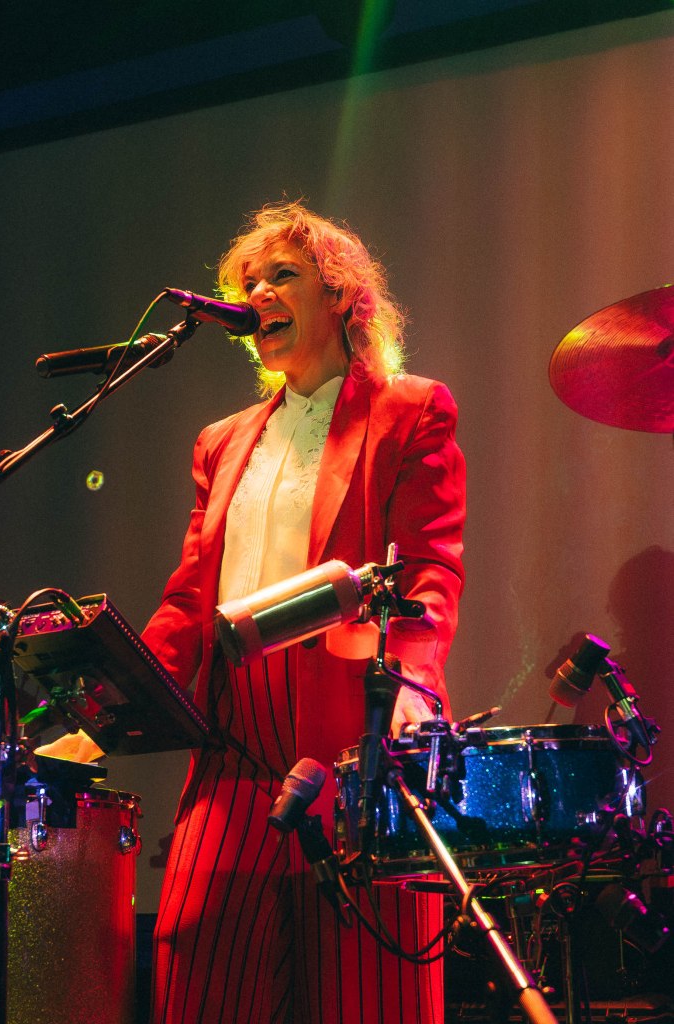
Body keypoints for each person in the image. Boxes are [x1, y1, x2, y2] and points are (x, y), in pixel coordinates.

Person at [142, 201, 466, 1024]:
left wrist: (412, 686)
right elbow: (189, 598)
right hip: (235, 748)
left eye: (281, 275)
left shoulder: (409, 410)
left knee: (370, 994)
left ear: (341, 295)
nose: (257, 294)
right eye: (248, 283)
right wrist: (118, 695)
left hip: (357, 748)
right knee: (196, 967)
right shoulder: (221, 441)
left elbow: (427, 568)